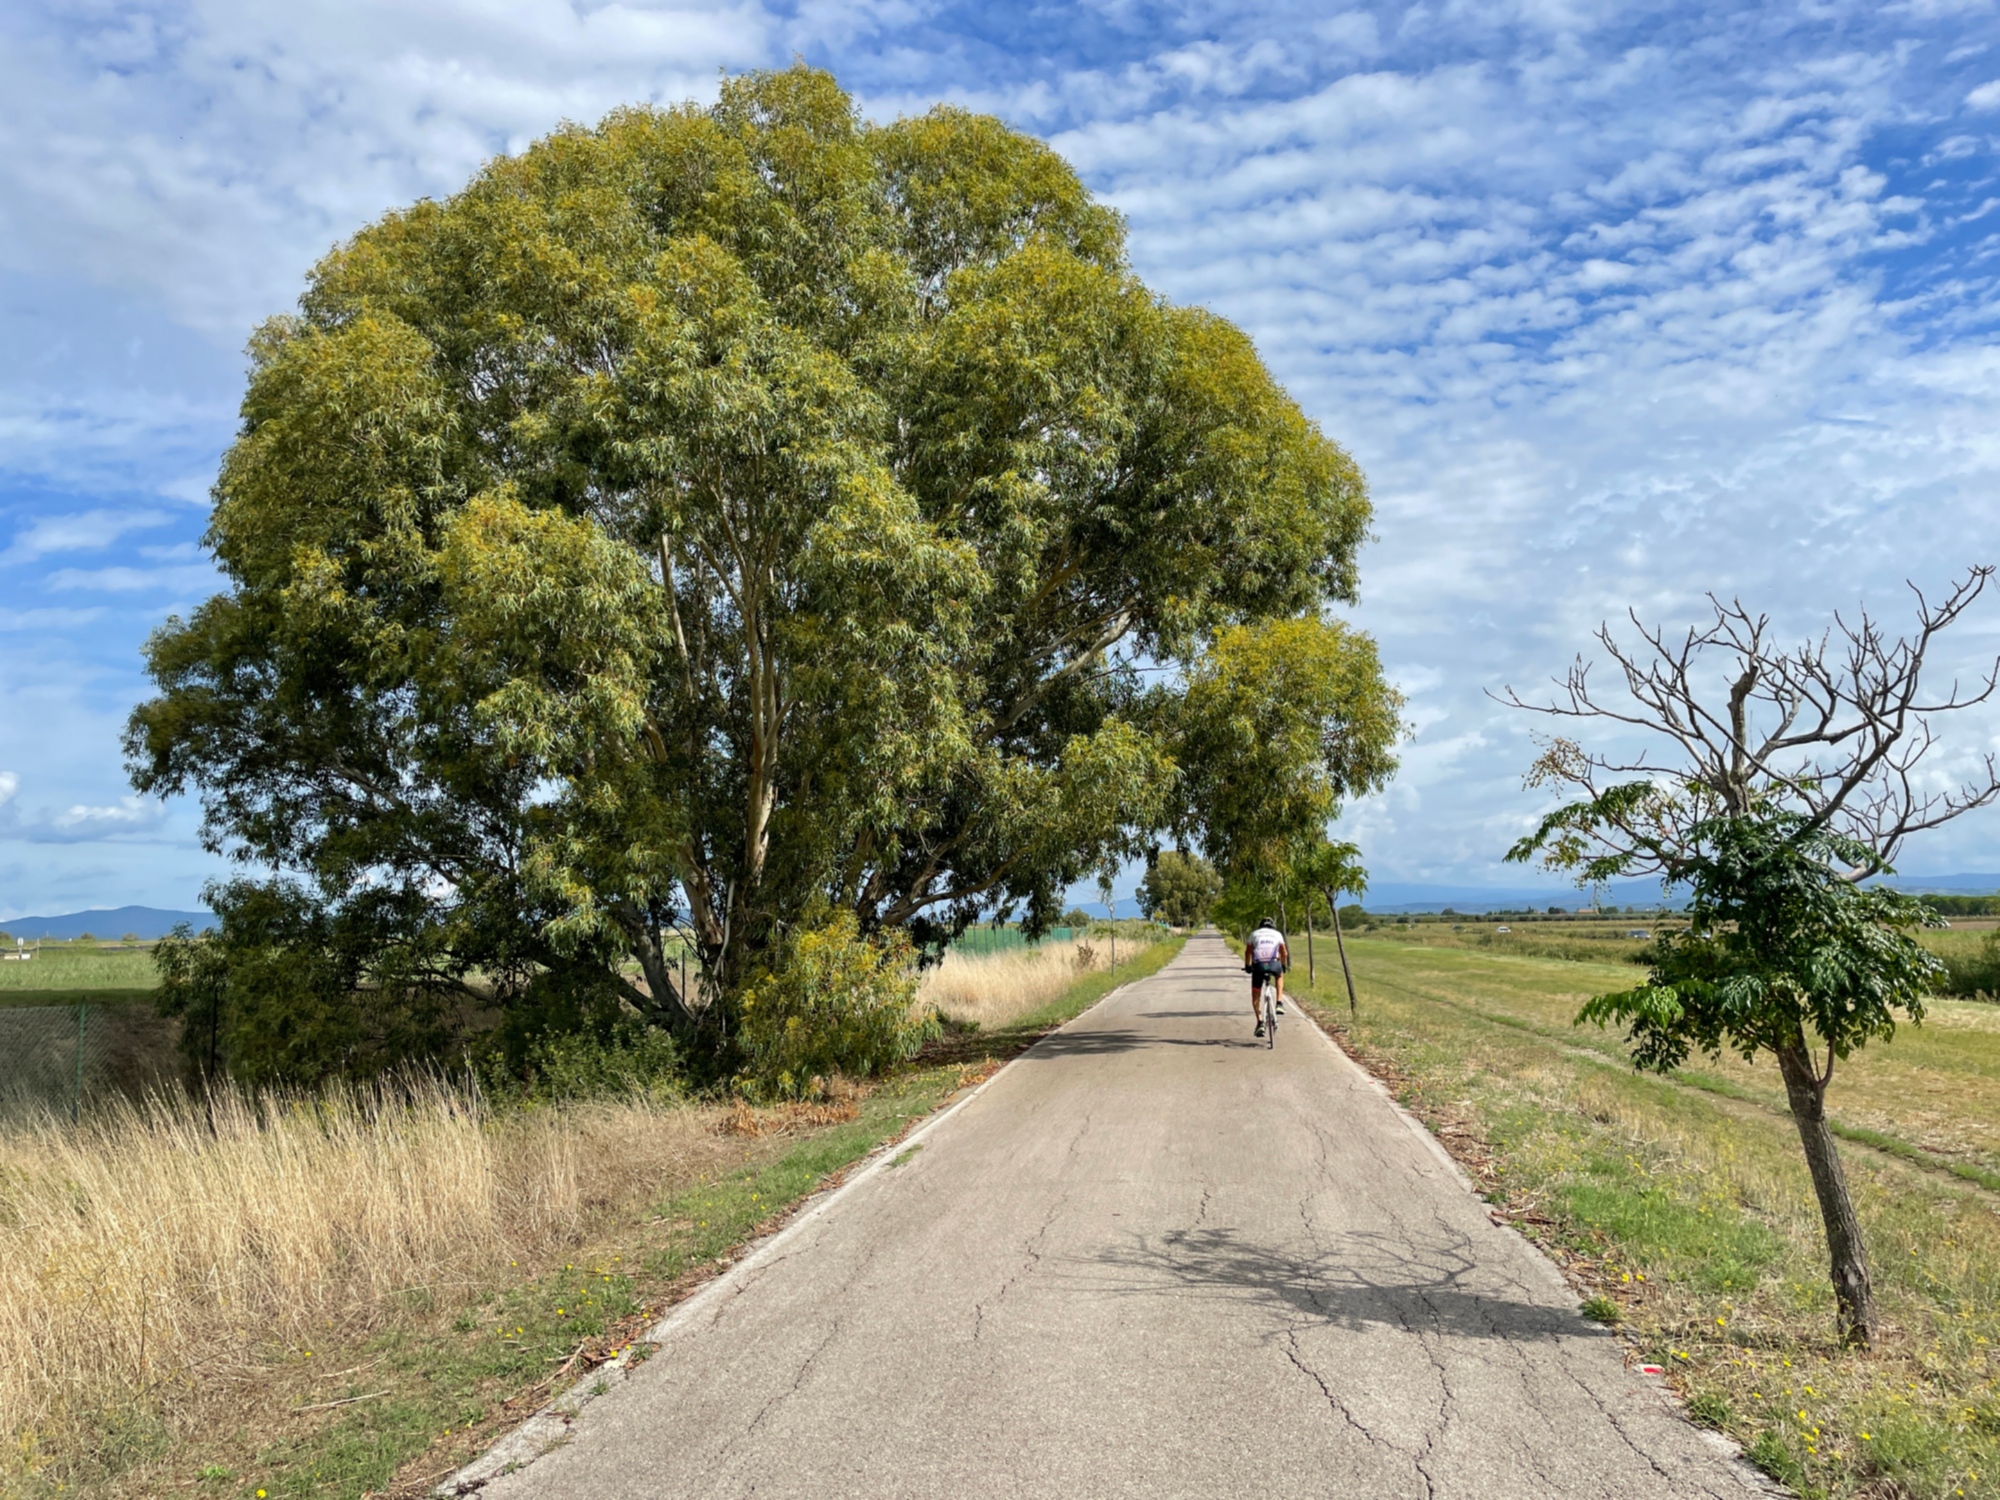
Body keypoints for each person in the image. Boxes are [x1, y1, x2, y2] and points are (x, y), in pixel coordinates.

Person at [1244, 917, 1289, 1037]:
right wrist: (1283, 966)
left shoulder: (1254, 934)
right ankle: (1279, 1003)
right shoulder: (1278, 934)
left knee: (1256, 995)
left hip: (1258, 967)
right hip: (1274, 965)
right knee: (1279, 975)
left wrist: (1248, 966)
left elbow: (1248, 952)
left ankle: (1260, 1023)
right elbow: (1284, 953)